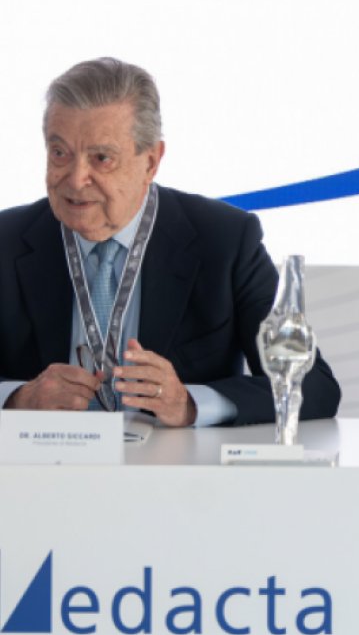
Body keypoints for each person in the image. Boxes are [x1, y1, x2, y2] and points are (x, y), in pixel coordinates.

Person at [0, 57, 340, 426]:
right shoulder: (7, 240)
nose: (76, 178)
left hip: (172, 461)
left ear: (150, 161)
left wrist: (190, 403)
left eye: (102, 158)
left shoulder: (224, 240)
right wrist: (19, 399)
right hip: (43, 460)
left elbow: (314, 386)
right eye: (60, 153)